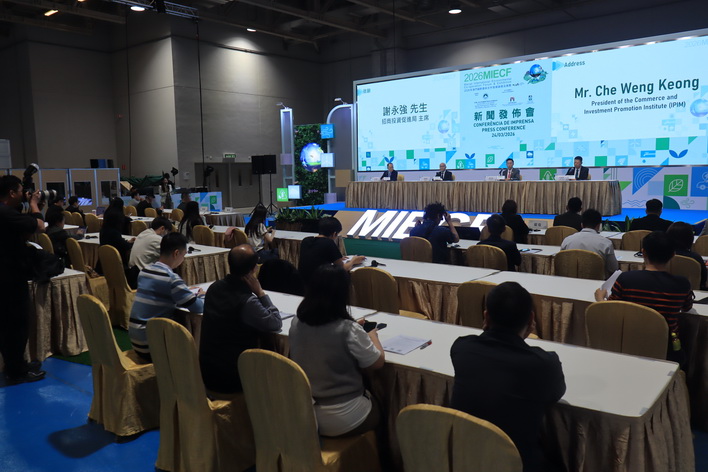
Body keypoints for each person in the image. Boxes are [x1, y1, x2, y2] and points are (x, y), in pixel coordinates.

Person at [451, 282, 565, 472]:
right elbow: (555, 394)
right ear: (531, 319)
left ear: (486, 316)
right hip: (517, 464)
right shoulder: (544, 365)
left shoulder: (461, 348)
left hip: (464, 459)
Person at [289, 265, 385, 437]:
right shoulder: (348, 330)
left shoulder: (297, 322)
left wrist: (354, 326)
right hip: (345, 417)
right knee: (384, 406)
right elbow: (377, 362)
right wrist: (372, 336)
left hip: (307, 412)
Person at [594, 231, 693, 364]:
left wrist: (600, 300)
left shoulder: (625, 279)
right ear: (673, 254)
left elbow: (612, 309)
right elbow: (687, 308)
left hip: (628, 342)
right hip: (666, 347)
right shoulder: (682, 284)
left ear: (643, 252)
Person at [199, 245, 283, 394]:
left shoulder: (214, 287)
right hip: (233, 376)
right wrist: (261, 293)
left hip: (206, 369)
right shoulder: (247, 301)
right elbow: (275, 323)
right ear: (254, 269)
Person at [0, 175, 47, 384]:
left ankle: (16, 365)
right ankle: (17, 371)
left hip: (7, 276)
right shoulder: (6, 213)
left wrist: (32, 209)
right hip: (10, 278)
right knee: (16, 324)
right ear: (11, 193)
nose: (24, 194)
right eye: (21, 191)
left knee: (9, 324)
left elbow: (24, 233)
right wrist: (34, 205)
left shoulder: (7, 214)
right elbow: (40, 226)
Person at [129, 232, 205, 360]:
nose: (183, 259)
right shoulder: (171, 279)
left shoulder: (145, 271)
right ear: (176, 253)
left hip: (136, 337)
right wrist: (201, 295)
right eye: (183, 255)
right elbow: (198, 308)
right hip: (151, 345)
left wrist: (183, 291)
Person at [298, 217, 365, 283]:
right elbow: (342, 269)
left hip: (302, 282)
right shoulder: (328, 243)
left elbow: (316, 257)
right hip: (319, 283)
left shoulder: (306, 240)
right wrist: (353, 261)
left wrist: (337, 258)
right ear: (334, 233)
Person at [560, 209, 618, 275]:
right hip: (597, 280)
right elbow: (613, 269)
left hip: (570, 279)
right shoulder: (606, 243)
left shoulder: (567, 240)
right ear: (598, 226)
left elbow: (561, 263)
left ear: (582, 225)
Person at [666, 221, 706, 290]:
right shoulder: (695, 258)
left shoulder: (661, 255)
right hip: (693, 292)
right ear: (690, 238)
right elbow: (703, 280)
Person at [100, 197, 134, 269]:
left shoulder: (103, 230)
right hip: (118, 265)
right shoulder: (114, 233)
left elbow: (118, 242)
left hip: (104, 265)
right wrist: (131, 243)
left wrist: (127, 241)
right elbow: (125, 246)